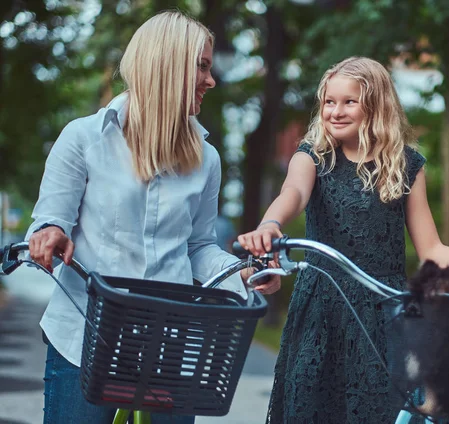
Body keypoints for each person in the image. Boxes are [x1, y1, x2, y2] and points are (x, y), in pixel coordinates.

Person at [25, 11, 280, 424]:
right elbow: (50, 220)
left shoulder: (206, 158)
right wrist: (49, 234)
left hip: (168, 343)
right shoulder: (85, 138)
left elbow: (198, 247)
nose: (210, 80)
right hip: (84, 336)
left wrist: (242, 273)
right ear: (166, 63)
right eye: (201, 65)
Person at [237, 57, 449, 424]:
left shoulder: (406, 165)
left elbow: (432, 250)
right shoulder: (313, 155)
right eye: (329, 101)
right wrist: (270, 224)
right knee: (313, 406)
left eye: (350, 101)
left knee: (382, 409)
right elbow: (292, 193)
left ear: (375, 106)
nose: (336, 111)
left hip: (383, 308)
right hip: (321, 308)